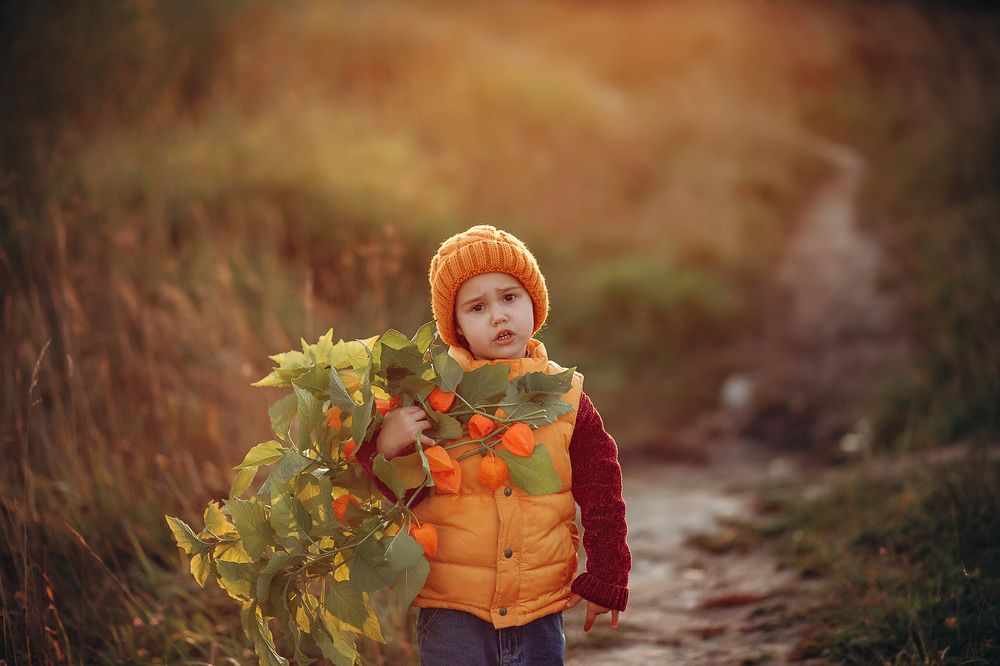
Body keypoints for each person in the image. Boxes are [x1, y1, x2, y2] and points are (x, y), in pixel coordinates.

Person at [356, 225, 630, 665]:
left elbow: (602, 489)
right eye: (477, 307)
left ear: (534, 304)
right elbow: (402, 494)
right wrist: (386, 449)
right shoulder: (435, 398)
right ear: (457, 328)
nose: (498, 315)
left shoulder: (564, 398)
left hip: (537, 605)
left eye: (509, 297)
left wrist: (607, 571)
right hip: (452, 611)